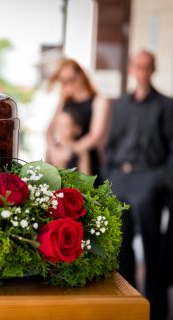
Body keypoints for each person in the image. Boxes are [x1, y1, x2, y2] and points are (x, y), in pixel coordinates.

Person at [104, 50, 173, 320]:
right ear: (131, 69)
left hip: (149, 179)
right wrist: (110, 175)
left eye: (146, 67)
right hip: (121, 177)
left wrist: (160, 180)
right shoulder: (119, 104)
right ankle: (127, 308)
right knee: (121, 250)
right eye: (137, 66)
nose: (141, 71)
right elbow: (111, 144)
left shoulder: (166, 105)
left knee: (152, 246)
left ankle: (156, 311)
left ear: (153, 69)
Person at [46, 58, 110, 182]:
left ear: (81, 75)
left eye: (71, 79)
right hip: (62, 162)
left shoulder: (99, 100)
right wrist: (54, 151)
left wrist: (69, 151)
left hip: (87, 163)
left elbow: (95, 136)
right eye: (63, 81)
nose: (68, 84)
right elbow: (49, 131)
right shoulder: (64, 101)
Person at [48, 109, 91, 175]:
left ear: (77, 129)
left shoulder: (81, 151)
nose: (60, 128)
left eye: (65, 125)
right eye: (59, 124)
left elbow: (86, 179)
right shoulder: (52, 149)